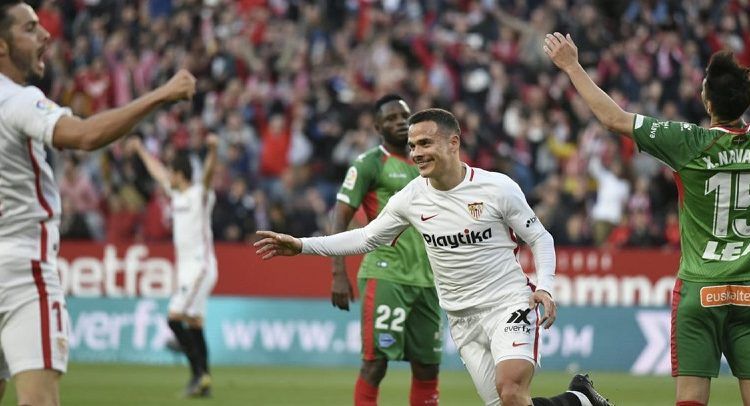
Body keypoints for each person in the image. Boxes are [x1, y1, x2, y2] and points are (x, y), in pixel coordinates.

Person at [255, 108, 612, 406]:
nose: (416, 153)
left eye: (425, 143)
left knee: (512, 389)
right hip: (461, 318)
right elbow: (366, 238)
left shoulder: (497, 188)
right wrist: (302, 245)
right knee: (509, 402)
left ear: (453, 142)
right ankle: (579, 399)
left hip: (509, 303)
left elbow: (540, 237)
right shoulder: (411, 198)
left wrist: (546, 287)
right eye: (412, 146)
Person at [0, 1, 195, 405]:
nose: (45, 35)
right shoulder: (17, 101)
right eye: (30, 29)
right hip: (23, 274)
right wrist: (161, 94)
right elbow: (86, 135)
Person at [544, 32, 750, 406]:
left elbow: (612, 118)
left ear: (706, 100)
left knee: (690, 400)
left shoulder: (687, 141)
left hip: (699, 289)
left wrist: (571, 65)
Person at [330, 95, 441, 405]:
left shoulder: (429, 164)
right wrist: (338, 272)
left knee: (428, 365)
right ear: (378, 127)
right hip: (386, 274)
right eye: (390, 118)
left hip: (428, 280)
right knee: (376, 363)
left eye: (404, 115)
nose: (399, 122)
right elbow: (339, 215)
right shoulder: (369, 164)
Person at [129, 134, 219, 397]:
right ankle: (203, 381)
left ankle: (195, 367)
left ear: (180, 174)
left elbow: (209, 174)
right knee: (195, 324)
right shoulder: (177, 195)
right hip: (187, 270)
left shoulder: (199, 194)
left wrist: (213, 150)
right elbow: (157, 172)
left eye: (172, 172)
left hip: (201, 267)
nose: (168, 175)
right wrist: (141, 149)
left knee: (174, 317)